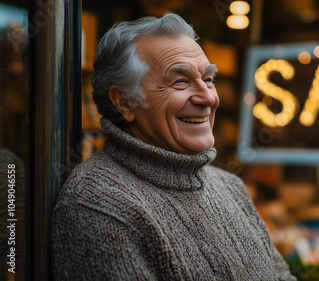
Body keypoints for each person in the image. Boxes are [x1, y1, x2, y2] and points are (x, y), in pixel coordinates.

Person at [51, 13, 297, 280]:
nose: (208, 97)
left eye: (209, 79)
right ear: (124, 102)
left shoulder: (231, 187)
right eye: (180, 81)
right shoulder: (98, 205)